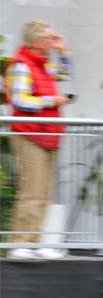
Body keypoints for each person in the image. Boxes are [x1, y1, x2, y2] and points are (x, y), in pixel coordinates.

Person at [5, 19, 73, 260]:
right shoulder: (23, 65)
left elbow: (64, 74)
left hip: (46, 135)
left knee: (45, 193)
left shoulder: (43, 64)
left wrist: (62, 50)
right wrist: (50, 102)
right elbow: (20, 100)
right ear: (36, 42)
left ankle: (37, 241)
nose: (50, 41)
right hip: (29, 135)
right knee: (32, 191)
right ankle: (20, 242)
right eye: (47, 38)